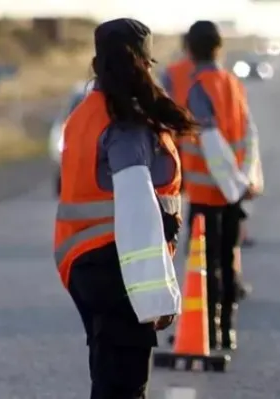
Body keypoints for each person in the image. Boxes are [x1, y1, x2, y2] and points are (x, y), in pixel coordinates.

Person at [53, 18, 198, 398]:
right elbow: (136, 207)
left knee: (108, 378)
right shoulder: (126, 124)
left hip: (84, 266)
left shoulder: (83, 116)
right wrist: (156, 297)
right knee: (125, 386)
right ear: (145, 64)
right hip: (120, 269)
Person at [170, 20, 262, 352]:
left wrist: (233, 184)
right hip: (231, 192)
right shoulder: (232, 83)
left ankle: (209, 328)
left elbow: (211, 144)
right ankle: (226, 330)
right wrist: (246, 181)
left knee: (205, 268)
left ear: (190, 50)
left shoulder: (198, 88)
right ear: (219, 48)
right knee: (226, 262)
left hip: (210, 195)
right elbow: (249, 134)